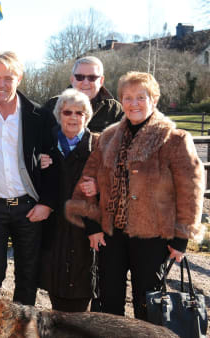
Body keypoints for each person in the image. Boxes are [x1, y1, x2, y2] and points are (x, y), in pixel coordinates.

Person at [65, 71, 205, 321]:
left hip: (154, 235)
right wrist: (93, 225)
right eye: (128, 98)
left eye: (141, 97)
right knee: (109, 301)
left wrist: (182, 236)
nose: (133, 103)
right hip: (111, 234)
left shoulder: (174, 139)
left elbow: (190, 190)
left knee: (149, 302)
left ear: (154, 100)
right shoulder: (107, 138)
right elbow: (87, 181)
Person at [0, 51, 58, 305]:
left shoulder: (38, 115)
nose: (1, 84)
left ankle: (21, 330)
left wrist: (47, 204)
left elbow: (54, 162)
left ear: (19, 78)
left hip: (29, 208)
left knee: (28, 276)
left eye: (8, 78)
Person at [38, 89, 99, 312]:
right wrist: (37, 163)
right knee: (57, 296)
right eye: (67, 112)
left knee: (82, 297)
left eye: (80, 113)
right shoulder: (47, 148)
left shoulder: (99, 147)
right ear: (59, 115)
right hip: (55, 232)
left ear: (87, 116)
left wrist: (100, 186)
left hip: (87, 232)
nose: (73, 117)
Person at [43, 56, 122, 133]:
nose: (85, 82)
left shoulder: (115, 109)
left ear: (101, 81)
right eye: (79, 77)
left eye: (92, 77)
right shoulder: (52, 105)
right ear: (72, 79)